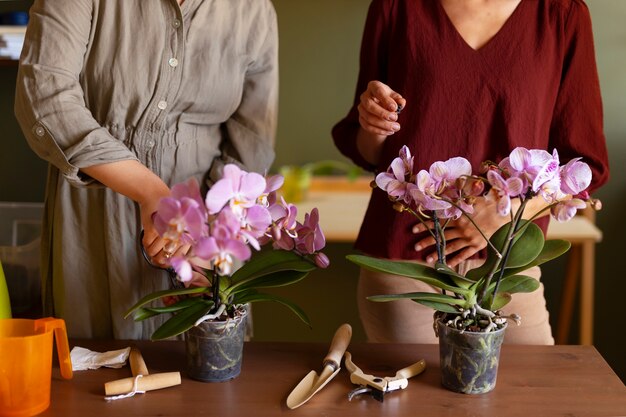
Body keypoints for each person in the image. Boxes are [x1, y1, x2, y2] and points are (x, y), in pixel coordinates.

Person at [332, 0, 609, 344]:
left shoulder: (562, 14)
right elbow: (370, 152)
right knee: (416, 398)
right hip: (406, 266)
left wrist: (505, 213)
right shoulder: (396, 7)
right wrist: (374, 125)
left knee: (533, 395)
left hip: (506, 270)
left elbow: (585, 165)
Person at [14, 0, 278, 339]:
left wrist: (205, 232)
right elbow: (44, 98)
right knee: (93, 377)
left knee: (207, 380)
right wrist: (151, 192)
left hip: (203, 243)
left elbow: (251, 142)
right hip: (94, 228)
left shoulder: (254, 11)